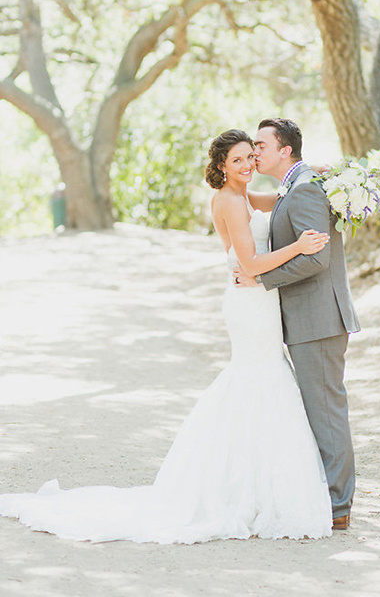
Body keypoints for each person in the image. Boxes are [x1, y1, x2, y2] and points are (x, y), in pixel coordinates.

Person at [0, 129, 333, 543]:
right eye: (238, 161)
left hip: (260, 302)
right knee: (258, 380)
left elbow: (282, 198)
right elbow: (249, 263)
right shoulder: (228, 201)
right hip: (249, 301)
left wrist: (314, 173)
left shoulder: (245, 195)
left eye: (251, 157)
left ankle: (258, 486)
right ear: (221, 168)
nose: (248, 166)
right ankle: (243, 490)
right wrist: (299, 246)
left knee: (265, 379)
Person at [233, 118, 360, 530]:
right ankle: (329, 497)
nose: (256, 152)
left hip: (319, 320)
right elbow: (262, 202)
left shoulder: (304, 187)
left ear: (285, 150)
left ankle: (338, 507)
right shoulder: (297, 183)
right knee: (318, 410)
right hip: (308, 320)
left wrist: (261, 278)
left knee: (326, 412)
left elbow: (316, 258)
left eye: (262, 146)